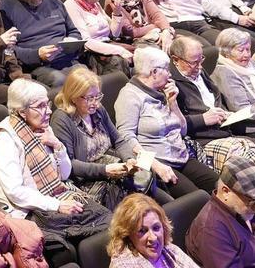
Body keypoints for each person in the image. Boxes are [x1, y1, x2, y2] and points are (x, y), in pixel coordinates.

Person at [0, 78, 111, 250]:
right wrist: (57, 205)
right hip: (28, 211)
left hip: (56, 195)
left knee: (107, 218)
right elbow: (15, 192)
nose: (49, 111)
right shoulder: (6, 141)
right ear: (21, 111)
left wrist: (58, 147)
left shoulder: (43, 129)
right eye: (41, 106)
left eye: (47, 104)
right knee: (106, 223)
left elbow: (64, 175)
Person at [115, 47, 219, 197]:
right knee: (198, 199)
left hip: (182, 156)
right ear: (154, 72)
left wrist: (173, 103)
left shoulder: (163, 91)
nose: (170, 74)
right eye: (166, 69)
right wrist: (155, 165)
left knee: (220, 185)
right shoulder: (130, 96)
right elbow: (125, 138)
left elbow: (182, 131)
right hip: (159, 163)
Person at [51, 67, 150, 208]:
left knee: (147, 177)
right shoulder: (62, 119)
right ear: (73, 96)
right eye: (89, 98)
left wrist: (129, 159)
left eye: (97, 96)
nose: (96, 103)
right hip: (87, 179)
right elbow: (70, 165)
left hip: (112, 165)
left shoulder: (98, 110)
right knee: (134, 202)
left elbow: (119, 140)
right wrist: (105, 170)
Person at [63, 0, 135, 74]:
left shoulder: (94, 3)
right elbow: (86, 42)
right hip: (91, 53)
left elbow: (115, 34)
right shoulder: (71, 6)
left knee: (141, 54)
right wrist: (119, 51)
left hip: (108, 45)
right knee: (118, 61)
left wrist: (117, 13)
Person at [107, 194, 200, 268]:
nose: (153, 238)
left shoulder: (170, 249)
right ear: (127, 234)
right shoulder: (122, 265)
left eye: (156, 228)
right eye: (142, 231)